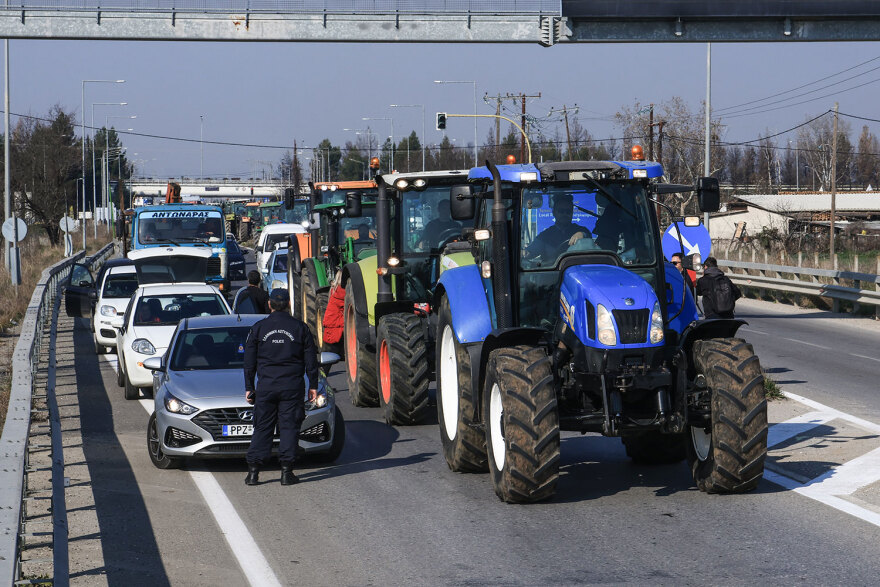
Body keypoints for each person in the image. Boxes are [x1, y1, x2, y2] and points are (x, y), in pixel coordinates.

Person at [243, 288, 318, 486]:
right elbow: (311, 360)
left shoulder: (259, 328)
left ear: (269, 305)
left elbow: (249, 362)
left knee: (262, 428)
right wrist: (313, 385)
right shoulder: (300, 328)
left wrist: (249, 386)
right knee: (289, 427)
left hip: (266, 386)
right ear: (289, 304)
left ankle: (253, 473)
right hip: (291, 387)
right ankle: (286, 472)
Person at [525, 193, 590, 261]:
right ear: (554, 212)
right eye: (561, 211)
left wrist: (582, 234)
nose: (564, 214)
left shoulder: (582, 231)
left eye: (568, 211)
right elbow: (531, 251)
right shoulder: (544, 236)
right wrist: (524, 252)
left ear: (572, 213)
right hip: (552, 267)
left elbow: (589, 239)